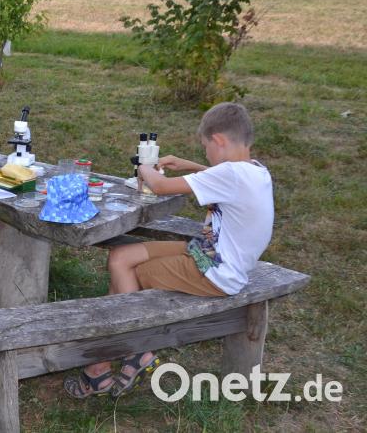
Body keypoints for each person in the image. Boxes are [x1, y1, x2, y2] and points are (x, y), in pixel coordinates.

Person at [64, 102, 273, 398]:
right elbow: (222, 177)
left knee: (128, 273)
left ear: (219, 141)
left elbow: (160, 186)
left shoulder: (232, 176)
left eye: (205, 147)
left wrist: (144, 167)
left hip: (215, 272)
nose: (206, 155)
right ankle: (107, 365)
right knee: (120, 257)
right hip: (207, 254)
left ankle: (134, 350)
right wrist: (189, 165)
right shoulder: (254, 171)